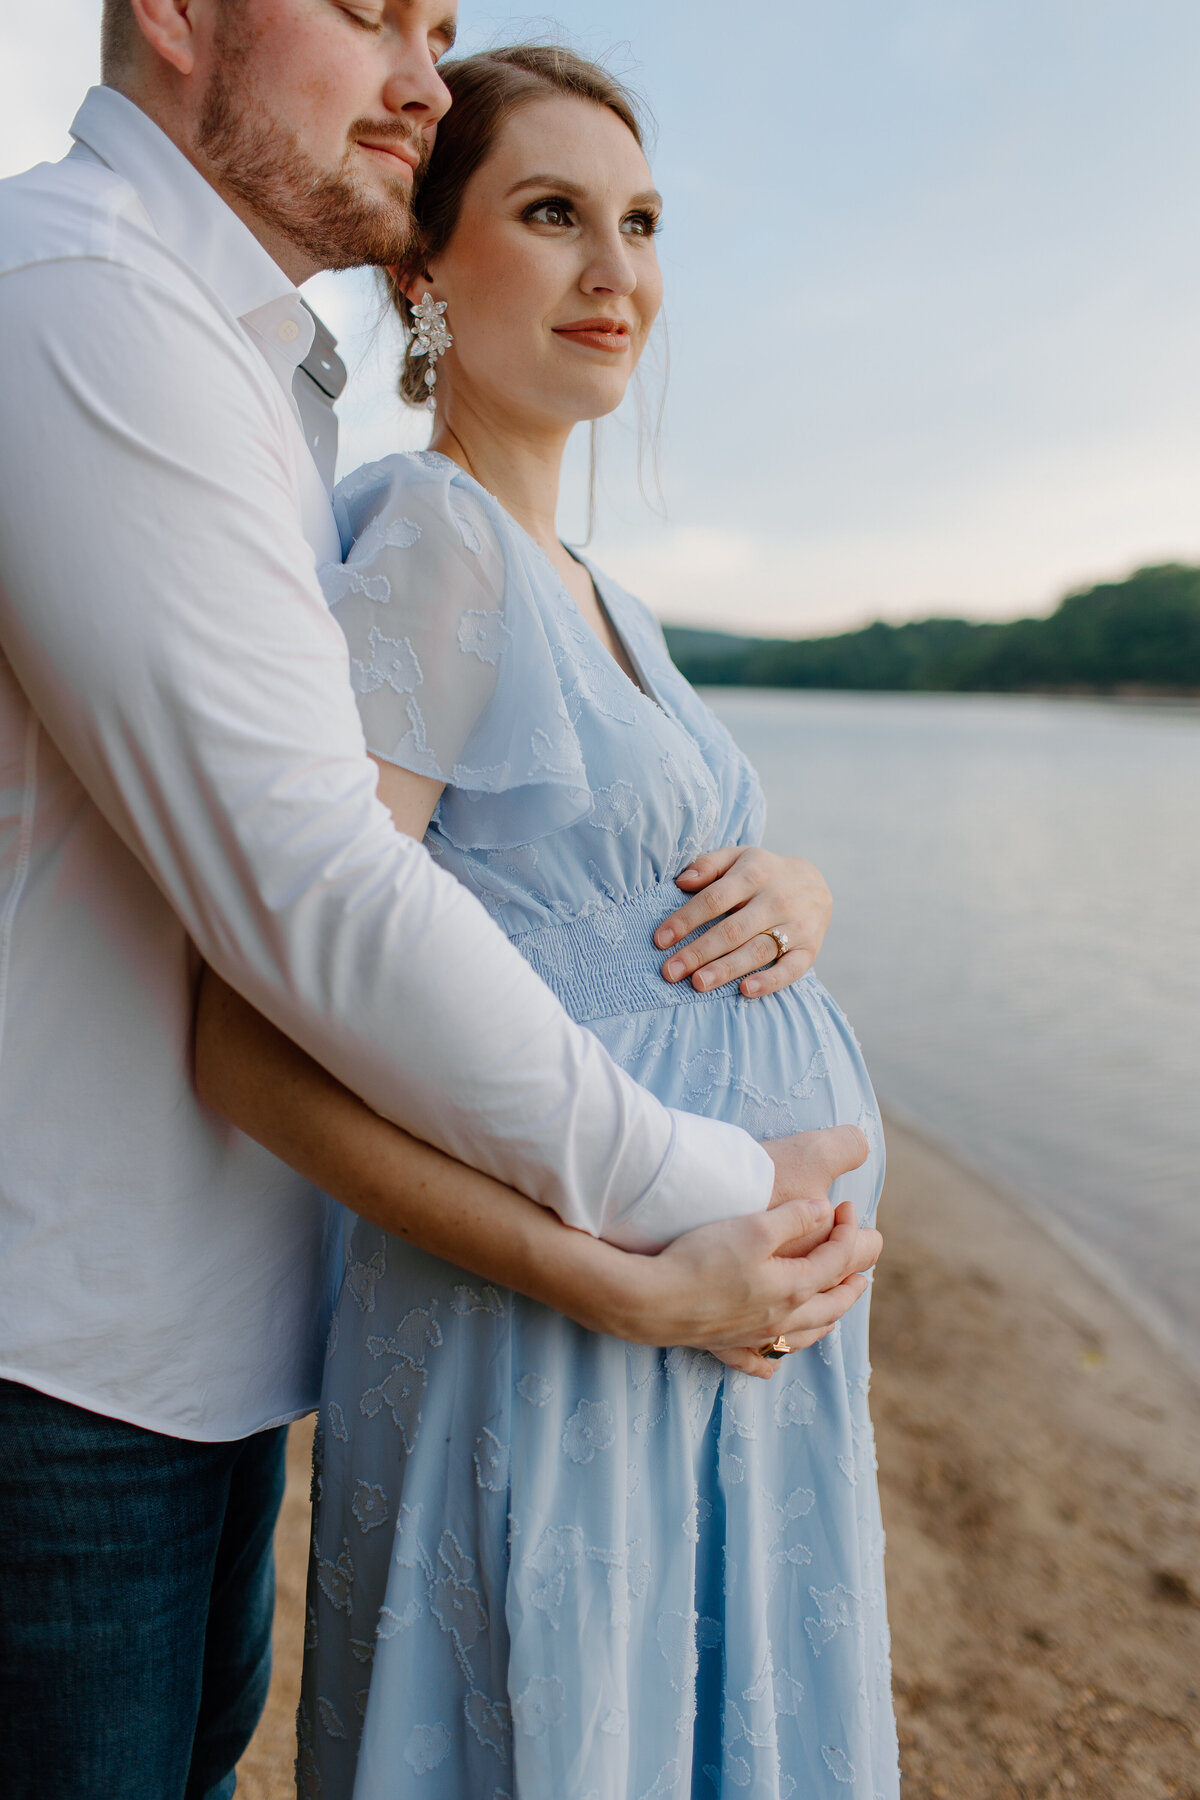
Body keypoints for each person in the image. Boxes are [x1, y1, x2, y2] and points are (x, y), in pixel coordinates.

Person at [0, 6, 879, 1797]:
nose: (614, 269)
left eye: (641, 223)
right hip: (455, 1324)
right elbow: (300, 933)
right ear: (427, 265)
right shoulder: (351, 490)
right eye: (552, 213)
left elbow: (581, 886)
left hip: (263, 1331)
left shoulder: (526, 553)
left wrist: (794, 889)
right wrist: (677, 1229)